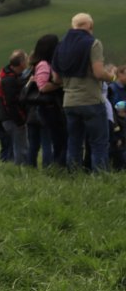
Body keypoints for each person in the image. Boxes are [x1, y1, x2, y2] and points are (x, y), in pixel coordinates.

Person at [55, 12, 117, 174]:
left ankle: (74, 176)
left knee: (74, 142)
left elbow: (56, 78)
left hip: (69, 101)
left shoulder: (61, 46)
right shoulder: (93, 43)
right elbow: (98, 73)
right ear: (89, 26)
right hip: (91, 100)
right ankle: (101, 177)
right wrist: (112, 77)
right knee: (98, 143)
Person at [24, 33, 66, 167]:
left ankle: (57, 166)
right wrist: (61, 84)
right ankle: (56, 167)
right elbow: (42, 87)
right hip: (49, 107)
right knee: (58, 140)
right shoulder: (43, 64)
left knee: (58, 140)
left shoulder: (44, 63)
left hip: (50, 107)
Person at [0, 51, 29, 165]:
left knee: (19, 146)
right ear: (21, 63)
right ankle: (21, 169)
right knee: (21, 148)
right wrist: (20, 121)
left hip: (8, 118)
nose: (28, 62)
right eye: (26, 59)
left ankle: (19, 167)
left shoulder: (9, 76)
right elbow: (10, 103)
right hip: (12, 119)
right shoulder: (9, 80)